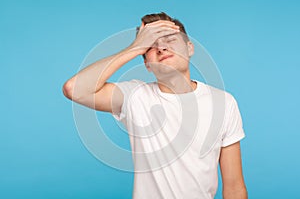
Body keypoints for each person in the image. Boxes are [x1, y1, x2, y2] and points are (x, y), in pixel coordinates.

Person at [63, 12, 247, 199]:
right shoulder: (135, 96)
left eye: (169, 39)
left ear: (189, 48)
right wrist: (135, 47)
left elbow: (234, 187)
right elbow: (74, 89)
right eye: (150, 45)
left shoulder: (223, 103)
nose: (161, 48)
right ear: (147, 65)